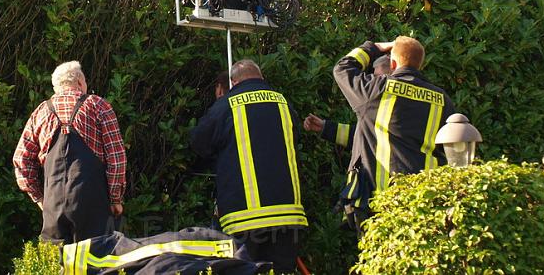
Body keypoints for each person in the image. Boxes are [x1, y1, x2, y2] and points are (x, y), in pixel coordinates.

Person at [190, 59, 306, 274]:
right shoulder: (283, 102)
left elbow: (199, 142)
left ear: (232, 82)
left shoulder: (226, 104)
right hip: (288, 214)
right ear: (261, 78)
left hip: (244, 217)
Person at [333, 37, 455, 235]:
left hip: (380, 203)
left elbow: (343, 68)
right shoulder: (442, 100)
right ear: (420, 64)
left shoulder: (378, 90)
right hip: (425, 201)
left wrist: (373, 47)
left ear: (393, 64)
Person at [13, 60, 127, 243]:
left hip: (54, 206)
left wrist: (40, 199)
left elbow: (21, 161)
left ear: (56, 87)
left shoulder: (41, 112)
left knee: (57, 264)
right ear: (81, 82)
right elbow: (117, 159)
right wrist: (115, 199)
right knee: (98, 263)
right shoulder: (98, 106)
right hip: (93, 206)